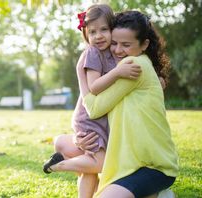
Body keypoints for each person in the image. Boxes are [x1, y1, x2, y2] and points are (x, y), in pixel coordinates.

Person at [42, 4, 142, 198]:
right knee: (100, 163)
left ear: (113, 29)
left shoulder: (112, 51)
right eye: (93, 31)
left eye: (104, 29)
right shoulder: (92, 53)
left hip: (100, 119)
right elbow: (94, 86)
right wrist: (118, 72)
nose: (98, 36)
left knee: (90, 169)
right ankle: (58, 164)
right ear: (86, 34)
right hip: (90, 119)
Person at [82, 10, 179, 198]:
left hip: (154, 167)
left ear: (144, 45)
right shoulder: (127, 66)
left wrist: (80, 73)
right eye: (115, 43)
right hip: (131, 164)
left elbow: (94, 108)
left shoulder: (134, 66)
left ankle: (158, 194)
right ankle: (157, 195)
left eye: (126, 45)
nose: (118, 50)